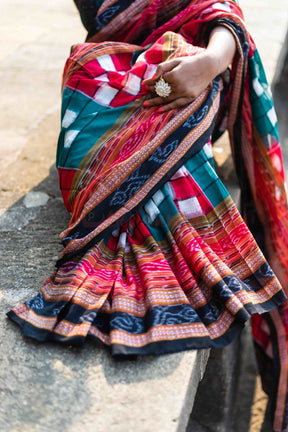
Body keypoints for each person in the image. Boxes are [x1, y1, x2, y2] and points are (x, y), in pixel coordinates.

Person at [7, 0, 288, 429]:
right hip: (111, 74)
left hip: (189, 76)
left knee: (172, 51)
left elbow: (222, 13)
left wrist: (208, 64)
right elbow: (104, 31)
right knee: (85, 69)